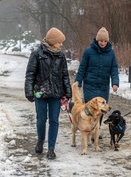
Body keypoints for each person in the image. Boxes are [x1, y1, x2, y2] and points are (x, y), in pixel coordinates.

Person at [25, 27, 72, 159]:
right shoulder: (36, 54)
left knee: (54, 121)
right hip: (41, 93)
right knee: (41, 120)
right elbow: (30, 74)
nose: (61, 44)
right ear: (52, 41)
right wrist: (29, 91)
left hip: (56, 93)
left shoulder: (61, 55)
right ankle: (40, 141)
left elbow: (65, 75)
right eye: (59, 42)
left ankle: (51, 149)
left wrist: (68, 91)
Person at [75, 27, 119, 127]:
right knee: (91, 109)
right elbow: (82, 67)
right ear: (97, 40)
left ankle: (97, 129)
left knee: (102, 108)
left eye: (105, 41)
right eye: (101, 41)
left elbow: (114, 69)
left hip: (103, 86)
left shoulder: (111, 53)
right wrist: (78, 82)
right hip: (90, 85)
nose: (103, 43)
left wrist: (115, 83)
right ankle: (89, 128)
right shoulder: (88, 51)